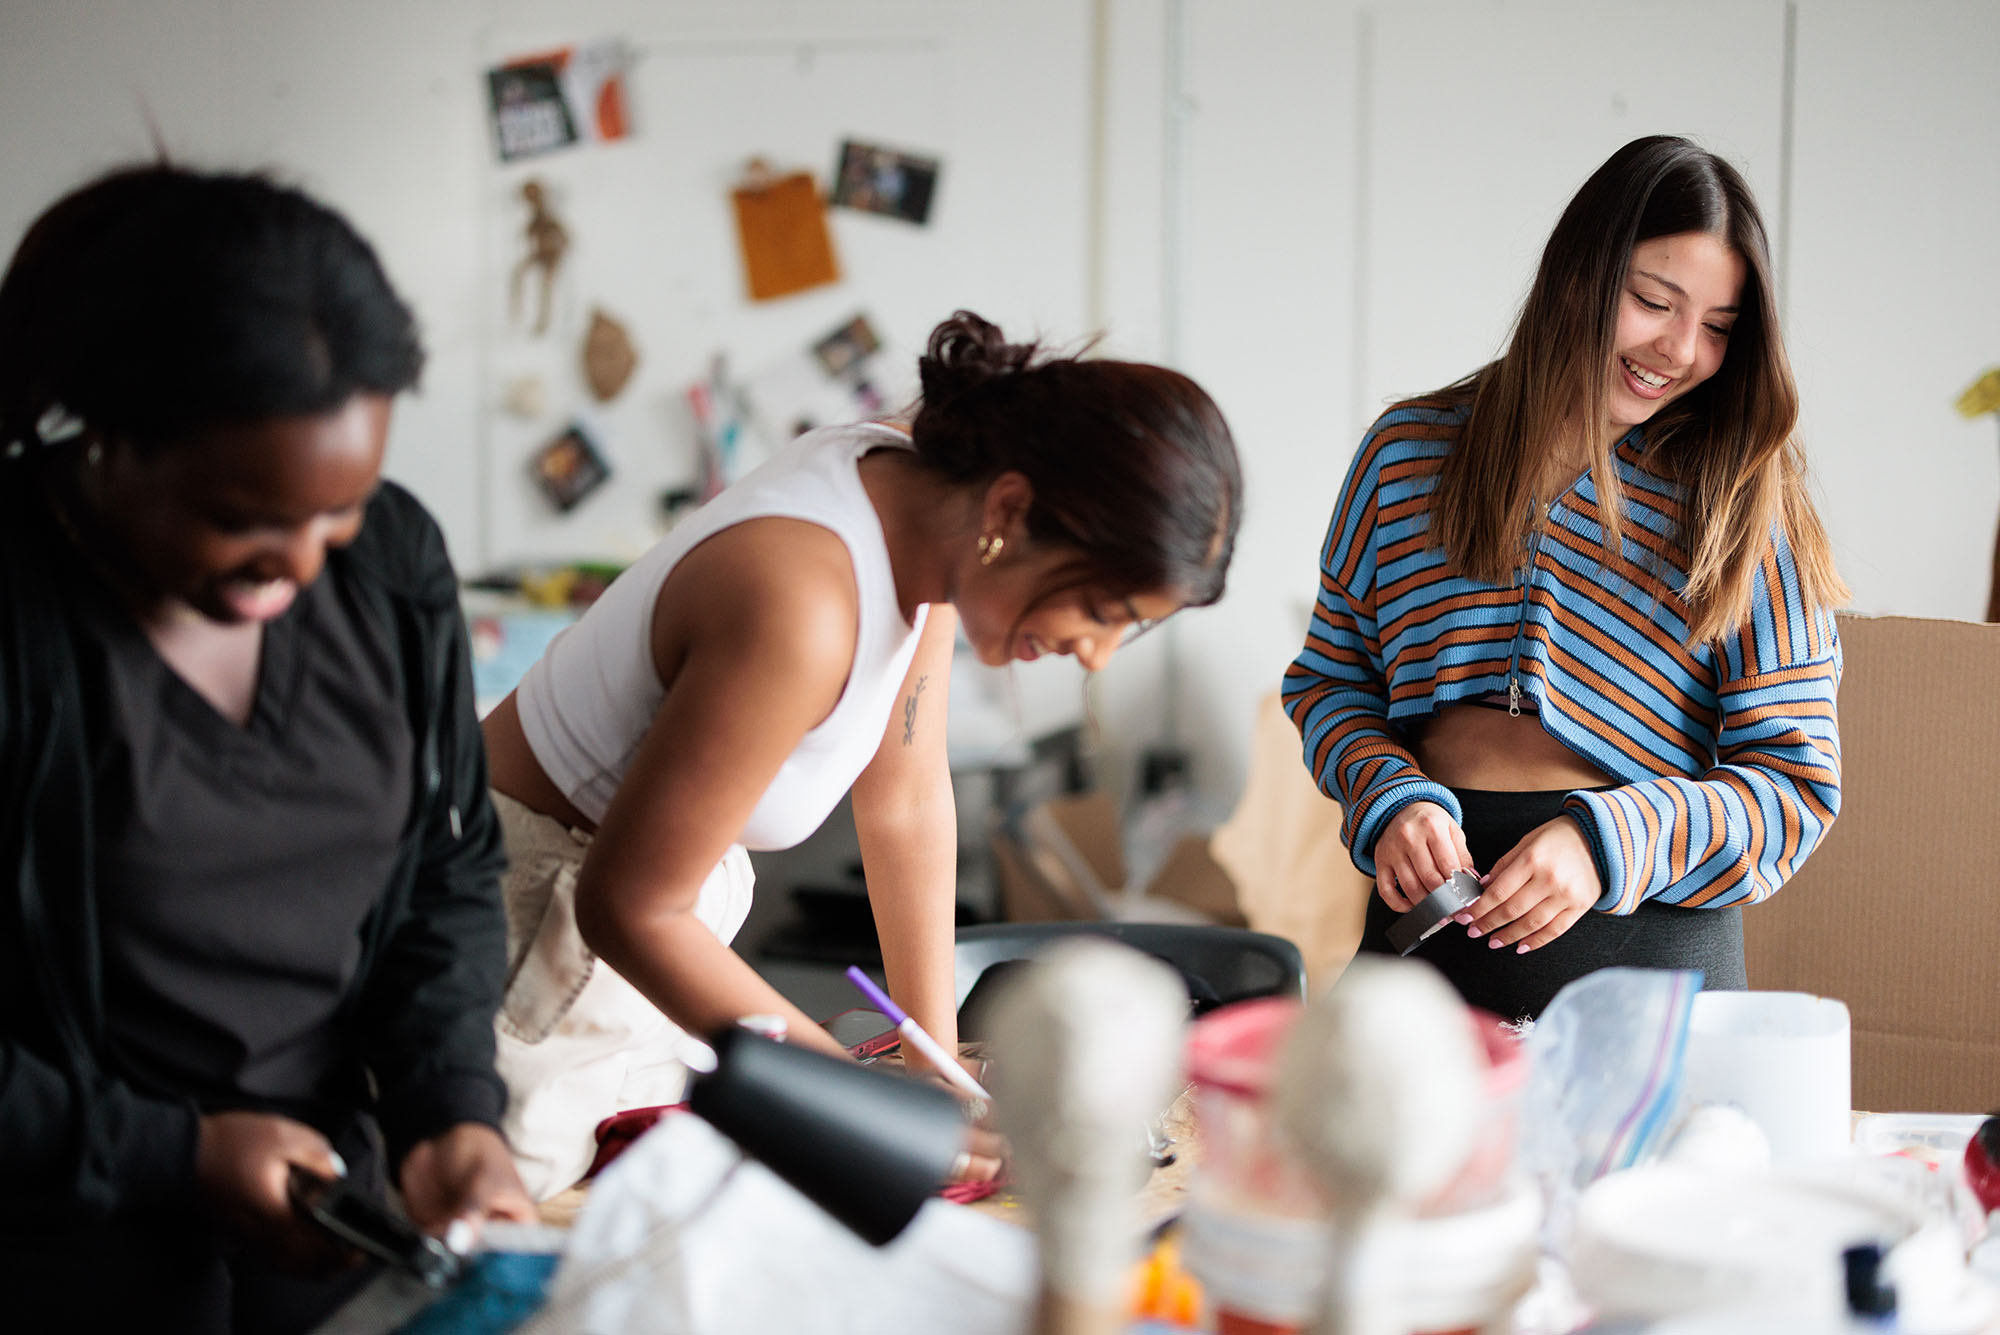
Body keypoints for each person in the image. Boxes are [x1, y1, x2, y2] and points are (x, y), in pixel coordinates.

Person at [482, 310, 1243, 1196]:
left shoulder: (929, 504)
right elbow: (632, 905)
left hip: (628, 947)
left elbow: (906, 795)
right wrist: (863, 1100)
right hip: (537, 944)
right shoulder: (800, 603)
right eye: (1104, 612)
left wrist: (936, 1063)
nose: (1096, 655)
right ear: (1011, 511)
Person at [0, 164, 533, 1332]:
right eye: (243, 518)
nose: (298, 565)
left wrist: (451, 1107)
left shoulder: (389, 567)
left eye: (333, 510)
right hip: (62, 1249)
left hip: (328, 1219)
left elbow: (445, 874)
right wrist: (168, 1154)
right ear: (111, 433)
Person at [1283, 136, 1847, 1022]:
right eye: (1653, 301)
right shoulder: (1407, 456)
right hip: (1423, 966)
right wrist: (1387, 793)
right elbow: (1331, 681)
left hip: (1649, 983)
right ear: (1579, 275)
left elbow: (1795, 786)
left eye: (1719, 329)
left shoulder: (1743, 501)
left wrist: (1606, 841)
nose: (1680, 349)